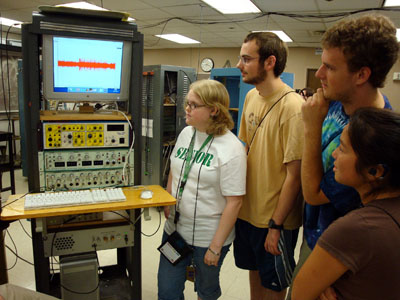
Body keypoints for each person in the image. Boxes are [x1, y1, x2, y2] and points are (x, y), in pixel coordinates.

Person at [288, 14, 399, 299]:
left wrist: (311, 128)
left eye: (330, 67)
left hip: (340, 250)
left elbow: (313, 194)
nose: (320, 74)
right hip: (313, 235)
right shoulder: (338, 100)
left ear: (362, 75)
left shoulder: (372, 139)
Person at [292, 107, 400, 300]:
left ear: (375, 171)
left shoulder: (355, 229)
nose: (334, 155)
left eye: (341, 148)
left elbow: (300, 294)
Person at [157, 79, 246, 300]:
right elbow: (175, 170)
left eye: (193, 105)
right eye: (186, 103)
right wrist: (169, 199)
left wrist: (215, 247)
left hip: (209, 238)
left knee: (206, 292)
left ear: (214, 110)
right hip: (175, 231)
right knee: (167, 291)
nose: (186, 109)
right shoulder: (187, 133)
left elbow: (235, 202)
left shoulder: (231, 148)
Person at [234, 32, 304, 300]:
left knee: (274, 286)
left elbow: (294, 177)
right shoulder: (252, 96)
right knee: (255, 278)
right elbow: (245, 148)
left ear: (269, 62)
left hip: (275, 219)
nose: (240, 64)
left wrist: (275, 226)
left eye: (246, 59)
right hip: (248, 213)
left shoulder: (293, 107)